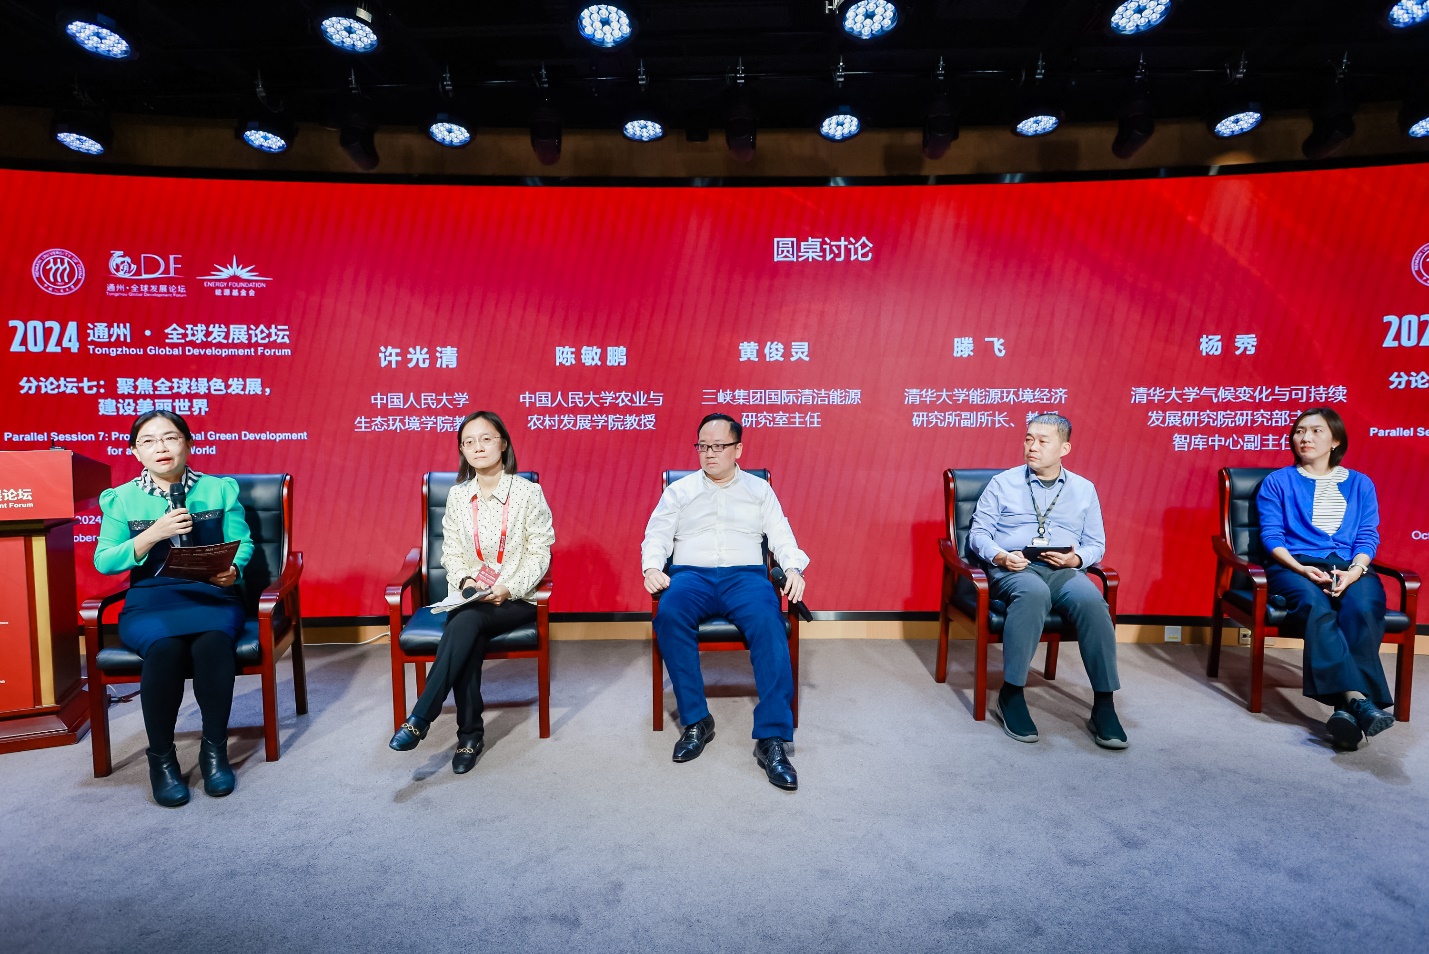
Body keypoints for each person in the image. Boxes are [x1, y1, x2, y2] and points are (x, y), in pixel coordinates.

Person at [93, 411, 254, 807]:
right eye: (148, 441)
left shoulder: (219, 490)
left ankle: (214, 752)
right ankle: (162, 760)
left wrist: (233, 570)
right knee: (165, 649)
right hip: (151, 600)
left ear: (188, 443)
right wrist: (153, 534)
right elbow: (105, 561)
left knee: (213, 643)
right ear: (135, 452)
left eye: (170, 437)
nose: (161, 447)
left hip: (211, 595)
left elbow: (243, 542)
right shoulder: (121, 498)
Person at [641, 413, 809, 790]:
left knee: (769, 623)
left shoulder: (759, 491)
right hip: (691, 575)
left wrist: (793, 568)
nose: (709, 453)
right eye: (703, 446)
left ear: (738, 449)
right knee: (669, 615)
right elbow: (657, 535)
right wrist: (651, 567)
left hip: (745, 576)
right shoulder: (679, 491)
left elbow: (782, 536)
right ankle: (697, 720)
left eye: (718, 446)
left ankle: (771, 738)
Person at [389, 411, 554, 773]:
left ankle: (422, 718)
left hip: (516, 598)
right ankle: (468, 736)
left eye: (486, 438)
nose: (478, 447)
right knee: (468, 626)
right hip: (470, 596)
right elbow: (450, 552)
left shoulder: (528, 493)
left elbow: (540, 553)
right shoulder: (459, 495)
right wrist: (465, 582)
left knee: (464, 623)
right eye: (469, 442)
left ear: (503, 443)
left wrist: (508, 587)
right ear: (462, 451)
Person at [967, 413, 1126, 749]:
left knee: (1093, 602)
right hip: (1015, 569)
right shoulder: (1003, 483)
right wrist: (1001, 556)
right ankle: (1011, 694)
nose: (1032, 447)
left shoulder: (1084, 489)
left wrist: (1076, 559)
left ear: (1064, 448)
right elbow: (978, 534)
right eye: (1028, 439)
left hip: (1064, 571)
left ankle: (1104, 704)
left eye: (1042, 441)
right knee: (1033, 592)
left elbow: (1096, 543)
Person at [1257, 407, 1395, 750]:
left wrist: (1355, 571)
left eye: (1316, 431)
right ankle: (1358, 699)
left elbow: (1367, 536)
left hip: (1348, 565)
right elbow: (1272, 536)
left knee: (1364, 607)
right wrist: (1301, 569)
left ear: (1335, 441)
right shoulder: (1278, 481)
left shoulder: (1361, 483)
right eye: (1299, 431)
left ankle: (1346, 711)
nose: (1305, 437)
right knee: (1315, 606)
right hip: (1295, 566)